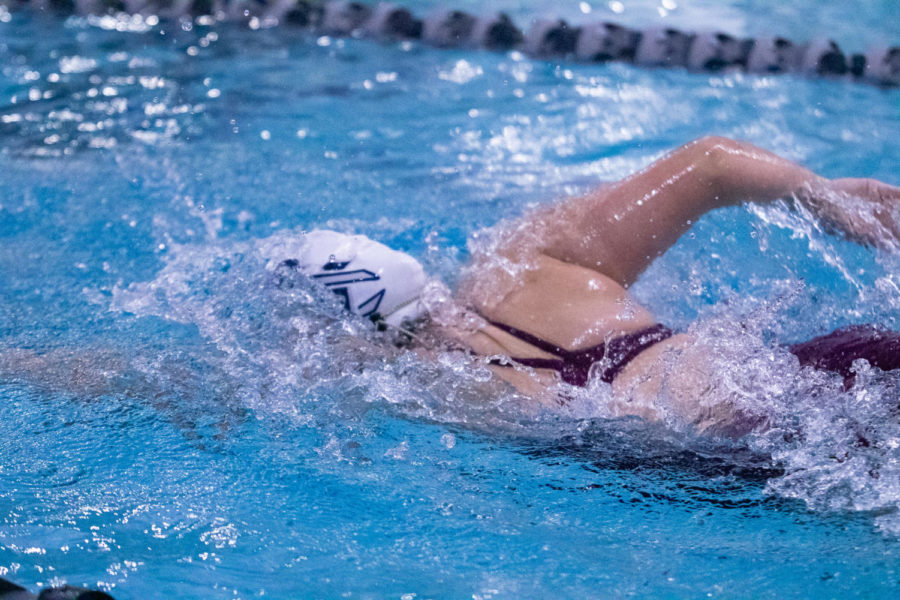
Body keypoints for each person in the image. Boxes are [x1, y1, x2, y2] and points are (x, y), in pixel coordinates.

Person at [278, 136, 900, 436]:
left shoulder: (416, 389)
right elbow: (712, 162)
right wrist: (827, 201)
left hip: (743, 471)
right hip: (828, 372)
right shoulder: (522, 263)